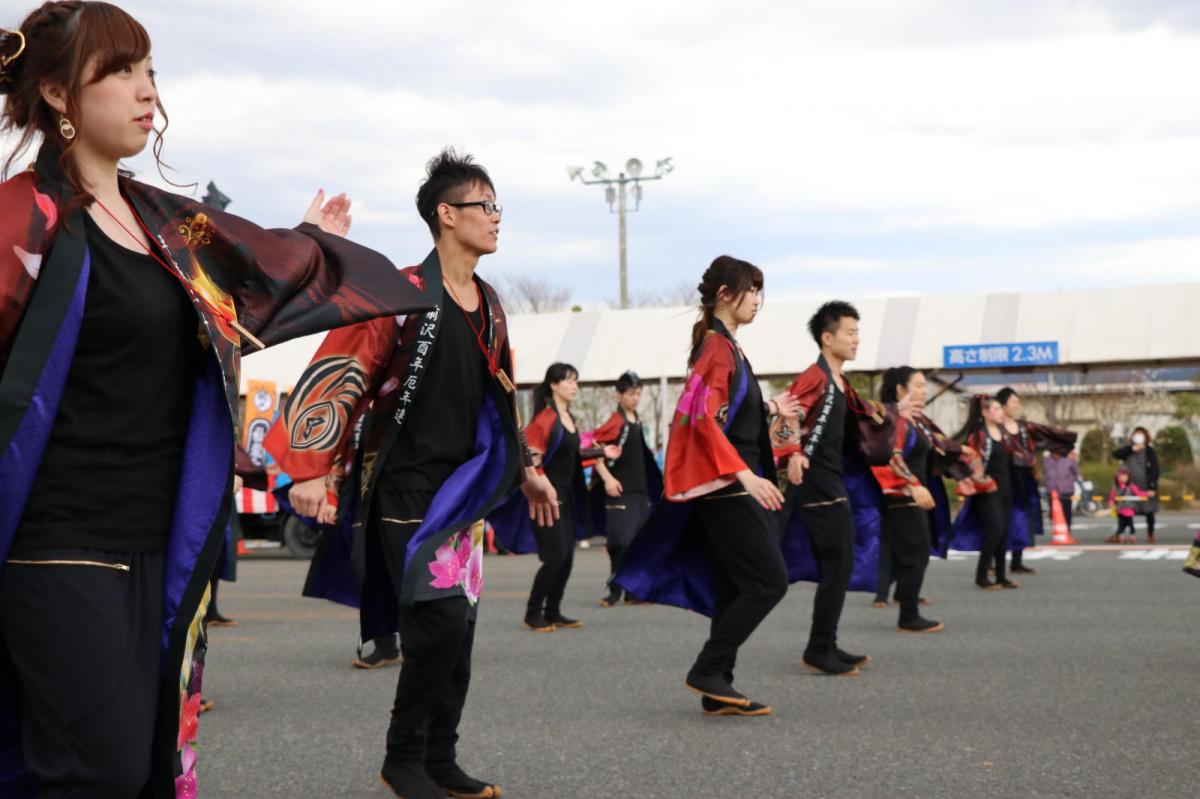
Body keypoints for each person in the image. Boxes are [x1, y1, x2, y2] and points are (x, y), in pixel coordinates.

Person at [0, 4, 430, 796]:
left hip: (164, 539)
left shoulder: (164, 224)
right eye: (121, 72)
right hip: (59, 541)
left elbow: (248, 280)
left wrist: (309, 240)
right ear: (59, 96)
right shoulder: (20, 218)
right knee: (91, 773)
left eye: (150, 71)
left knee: (145, 766)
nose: (147, 93)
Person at [266, 149, 557, 799]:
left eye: (496, 206)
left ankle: (440, 758)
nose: (495, 218)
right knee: (439, 622)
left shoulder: (491, 304)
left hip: (464, 494)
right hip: (404, 487)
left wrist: (528, 468)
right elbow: (340, 370)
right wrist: (311, 470)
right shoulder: (401, 291)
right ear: (446, 215)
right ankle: (403, 758)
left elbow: (500, 397)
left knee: (461, 633)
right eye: (486, 206)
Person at [615, 255, 799, 716]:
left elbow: (725, 411)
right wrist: (744, 474)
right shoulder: (717, 347)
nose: (757, 299)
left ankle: (718, 688)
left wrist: (771, 407)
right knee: (768, 581)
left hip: (729, 480)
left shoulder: (725, 347)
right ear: (724, 295)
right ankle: (709, 668)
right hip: (728, 483)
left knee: (736, 584)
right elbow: (698, 418)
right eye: (750, 289)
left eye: (760, 291)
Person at [770, 301, 896, 675]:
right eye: (850, 332)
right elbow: (786, 411)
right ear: (828, 338)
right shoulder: (815, 376)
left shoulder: (838, 381)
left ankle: (825, 644)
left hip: (832, 480)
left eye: (858, 332)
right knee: (837, 563)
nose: (857, 339)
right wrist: (791, 453)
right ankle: (819, 648)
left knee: (837, 565)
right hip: (816, 483)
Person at [868, 367, 978, 633]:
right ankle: (908, 614)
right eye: (917, 385)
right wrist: (912, 484)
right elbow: (888, 457)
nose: (923, 390)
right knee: (915, 550)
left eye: (924, 385)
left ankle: (904, 602)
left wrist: (961, 456)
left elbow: (937, 444)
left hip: (915, 493)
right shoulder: (892, 418)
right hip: (901, 494)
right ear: (900, 390)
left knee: (913, 551)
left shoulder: (915, 420)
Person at [515, 362, 612, 631]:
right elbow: (531, 459)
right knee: (555, 558)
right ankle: (532, 613)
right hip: (546, 500)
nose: (574, 386)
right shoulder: (545, 418)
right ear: (553, 385)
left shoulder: (571, 418)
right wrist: (541, 486)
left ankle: (554, 611)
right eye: (569, 381)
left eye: (576, 381)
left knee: (567, 558)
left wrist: (601, 454)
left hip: (568, 497)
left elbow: (572, 456)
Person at [590, 370, 663, 607]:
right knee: (620, 543)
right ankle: (615, 589)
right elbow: (593, 451)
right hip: (620, 492)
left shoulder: (637, 419)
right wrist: (608, 479)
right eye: (631, 393)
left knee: (638, 543)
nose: (635, 398)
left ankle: (632, 591)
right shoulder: (616, 421)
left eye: (638, 393)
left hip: (640, 492)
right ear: (619, 394)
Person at [995, 387, 1078, 574]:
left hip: (1023, 479)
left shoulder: (1024, 427)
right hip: (1002, 479)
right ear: (1003, 405)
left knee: (1021, 518)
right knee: (999, 520)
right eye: (1013, 402)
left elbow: (1046, 435)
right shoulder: (996, 428)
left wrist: (1066, 441)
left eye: (1017, 402)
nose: (1017, 405)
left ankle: (1017, 561)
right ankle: (993, 562)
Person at [948, 397, 1018, 590]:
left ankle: (1002, 576)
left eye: (1000, 408)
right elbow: (969, 461)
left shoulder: (1005, 434)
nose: (1000, 412)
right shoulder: (978, 436)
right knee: (994, 529)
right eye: (996, 409)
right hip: (985, 490)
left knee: (1003, 532)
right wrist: (981, 480)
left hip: (1005, 489)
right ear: (985, 413)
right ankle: (982, 575)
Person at [1113, 427, 1160, 544]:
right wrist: (1132, 449)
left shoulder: (1150, 451)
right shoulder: (1128, 450)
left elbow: (1155, 469)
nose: (1138, 436)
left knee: (1149, 511)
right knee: (1125, 511)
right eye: (1136, 434)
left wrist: (1152, 486)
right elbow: (1116, 454)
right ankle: (1119, 533)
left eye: (1141, 434)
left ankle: (1151, 534)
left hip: (1145, 485)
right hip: (1129, 486)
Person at [1042, 449, 1080, 533]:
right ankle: (1057, 530)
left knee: (1066, 511)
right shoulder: (1047, 460)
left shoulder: (1069, 459)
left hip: (1066, 490)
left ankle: (1067, 530)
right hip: (1052, 491)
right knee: (1053, 512)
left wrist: (1069, 481)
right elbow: (1044, 472)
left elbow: (1076, 473)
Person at [1105, 468, 1147, 544]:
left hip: (1130, 510)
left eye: (1125, 477)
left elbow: (1138, 493)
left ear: (1128, 478)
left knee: (1131, 524)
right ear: (1117, 478)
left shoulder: (1131, 486)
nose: (1123, 478)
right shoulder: (1115, 488)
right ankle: (1121, 536)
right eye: (1121, 477)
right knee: (1121, 525)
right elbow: (1112, 497)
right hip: (1120, 510)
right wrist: (1111, 502)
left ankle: (1132, 536)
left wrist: (1146, 494)